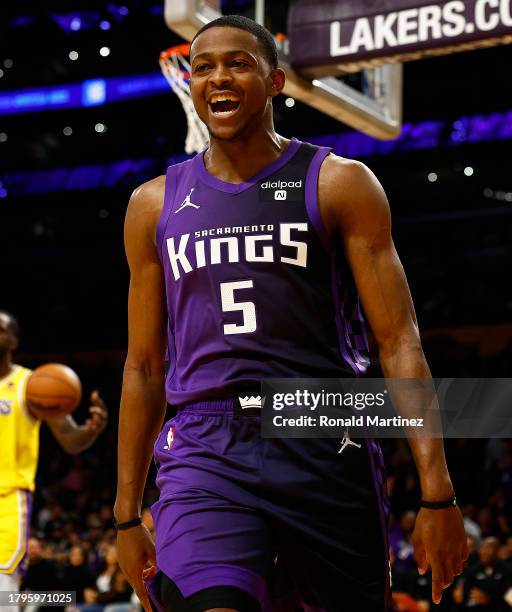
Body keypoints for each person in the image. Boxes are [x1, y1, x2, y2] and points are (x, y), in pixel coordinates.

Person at [114, 15, 468, 612]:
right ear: (190, 84)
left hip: (321, 428)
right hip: (206, 440)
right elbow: (144, 366)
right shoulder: (153, 204)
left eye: (238, 63)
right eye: (203, 67)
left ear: (276, 80)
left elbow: (400, 343)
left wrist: (438, 494)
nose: (217, 77)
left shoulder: (340, 183)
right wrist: (125, 514)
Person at [0, 310, 108, 603]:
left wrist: (92, 430)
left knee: (2, 593)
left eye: (0, 329)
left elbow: (71, 441)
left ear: (13, 340)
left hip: (7, 501)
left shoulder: (31, 384)